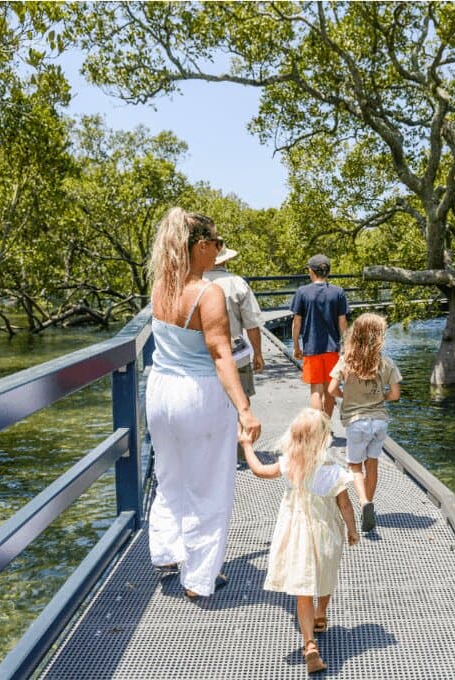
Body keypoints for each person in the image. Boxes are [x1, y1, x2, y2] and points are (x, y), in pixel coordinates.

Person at [145, 207, 262, 599]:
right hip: (197, 393)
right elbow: (220, 354)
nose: (219, 249)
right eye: (216, 242)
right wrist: (244, 408)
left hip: (160, 391)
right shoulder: (206, 293)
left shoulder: (160, 285)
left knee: (170, 474)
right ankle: (198, 578)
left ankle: (166, 550)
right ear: (199, 246)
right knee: (209, 485)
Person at [239, 408, 359, 674]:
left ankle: (309, 645)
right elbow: (346, 505)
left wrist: (247, 445)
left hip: (295, 534)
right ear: (324, 438)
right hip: (325, 533)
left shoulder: (288, 464)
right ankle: (321, 614)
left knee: (303, 592)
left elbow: (259, 470)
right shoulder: (334, 472)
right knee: (325, 576)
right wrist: (352, 530)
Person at [327, 313, 402, 533]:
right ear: (379, 337)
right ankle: (369, 504)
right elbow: (395, 394)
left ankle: (364, 503)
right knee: (372, 464)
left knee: (354, 466)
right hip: (379, 422)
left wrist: (346, 396)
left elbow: (331, 390)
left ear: (355, 335)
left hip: (356, 422)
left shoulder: (346, 362)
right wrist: (379, 399)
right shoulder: (386, 363)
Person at [290, 254, 348, 418]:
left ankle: (317, 429)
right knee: (330, 389)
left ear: (311, 271)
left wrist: (296, 346)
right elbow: (342, 323)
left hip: (311, 348)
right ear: (327, 271)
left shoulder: (302, 292)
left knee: (316, 389)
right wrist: (345, 346)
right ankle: (327, 425)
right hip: (332, 349)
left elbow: (296, 323)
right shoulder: (338, 292)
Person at [203, 246, 265, 400]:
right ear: (226, 260)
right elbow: (252, 324)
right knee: (241, 403)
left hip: (204, 358)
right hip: (236, 356)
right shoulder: (237, 283)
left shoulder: (195, 283)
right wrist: (258, 353)